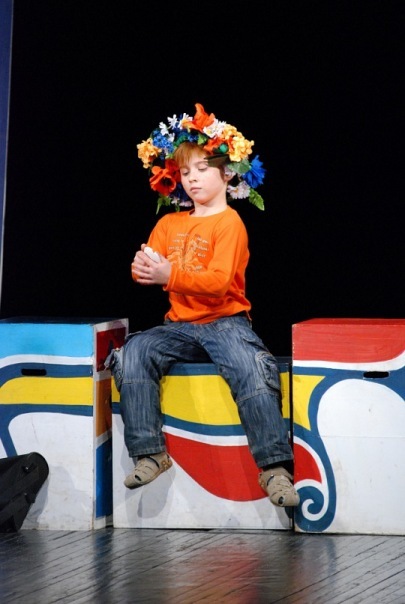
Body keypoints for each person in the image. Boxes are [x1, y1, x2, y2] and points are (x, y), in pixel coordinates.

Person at [106, 103, 299, 508]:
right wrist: (143, 269)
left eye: (202, 169)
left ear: (227, 173)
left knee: (250, 367)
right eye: (184, 172)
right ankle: (150, 453)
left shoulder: (229, 223)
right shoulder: (169, 223)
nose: (192, 178)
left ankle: (274, 468)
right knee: (134, 352)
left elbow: (218, 283)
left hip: (225, 321)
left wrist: (167, 275)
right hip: (179, 326)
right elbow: (147, 266)